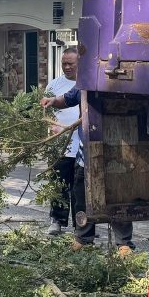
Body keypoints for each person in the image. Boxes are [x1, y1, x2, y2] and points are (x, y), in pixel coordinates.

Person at [42, 87, 136, 253]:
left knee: (119, 196)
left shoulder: (119, 83)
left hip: (116, 149)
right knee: (81, 198)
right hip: (85, 153)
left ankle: (124, 243)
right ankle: (83, 239)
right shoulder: (83, 82)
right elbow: (67, 98)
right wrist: (53, 101)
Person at [45, 48, 80, 235]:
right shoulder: (55, 85)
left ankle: (80, 226)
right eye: (64, 64)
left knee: (79, 188)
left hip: (82, 145)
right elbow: (46, 109)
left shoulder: (87, 83)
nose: (66, 67)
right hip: (60, 145)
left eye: (70, 64)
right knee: (59, 184)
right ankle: (57, 221)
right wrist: (53, 126)